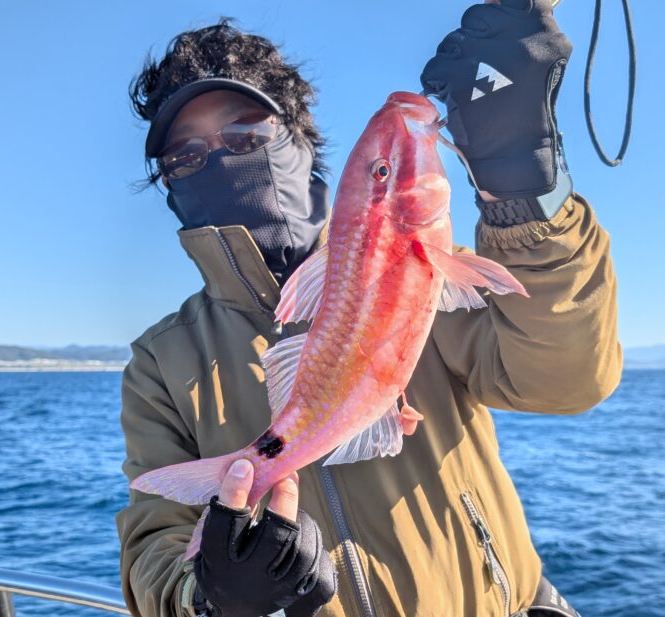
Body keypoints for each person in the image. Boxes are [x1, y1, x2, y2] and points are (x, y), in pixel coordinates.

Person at [116, 2, 622, 615]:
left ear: (301, 143)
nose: (220, 159)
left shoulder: (431, 281)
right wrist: (209, 597)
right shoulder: (162, 361)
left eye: (246, 135)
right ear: (170, 187)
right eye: (186, 157)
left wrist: (525, 194)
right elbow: (154, 543)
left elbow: (568, 380)